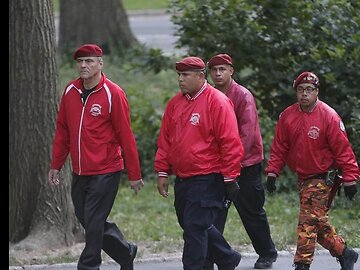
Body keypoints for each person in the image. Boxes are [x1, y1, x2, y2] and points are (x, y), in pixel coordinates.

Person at [48, 43, 144, 270]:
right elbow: (62, 131)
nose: (83, 65)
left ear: (100, 64)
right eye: (80, 61)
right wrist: (56, 164)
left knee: (93, 225)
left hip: (106, 170)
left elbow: (126, 136)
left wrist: (134, 173)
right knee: (90, 220)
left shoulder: (113, 93)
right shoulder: (70, 91)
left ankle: (89, 266)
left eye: (89, 61)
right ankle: (125, 251)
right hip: (80, 171)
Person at [155, 56, 244, 270]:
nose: (180, 80)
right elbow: (165, 140)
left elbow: (230, 142)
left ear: (200, 76)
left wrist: (230, 177)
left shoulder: (217, 101)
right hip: (184, 177)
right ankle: (227, 258)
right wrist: (162, 171)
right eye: (179, 75)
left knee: (195, 227)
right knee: (190, 223)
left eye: (185, 75)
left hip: (207, 175)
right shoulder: (175, 103)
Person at [264, 71, 360, 270]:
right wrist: (273, 172)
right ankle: (345, 253)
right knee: (316, 222)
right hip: (303, 178)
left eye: (309, 90)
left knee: (307, 223)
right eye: (300, 90)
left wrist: (350, 178)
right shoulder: (287, 116)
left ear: (317, 92)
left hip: (322, 178)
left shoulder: (329, 116)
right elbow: (280, 147)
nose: (304, 94)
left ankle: (302, 264)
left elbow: (343, 149)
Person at [205, 53, 278, 269]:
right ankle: (211, 257)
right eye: (214, 70)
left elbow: (246, 136)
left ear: (231, 71)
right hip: (218, 165)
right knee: (215, 213)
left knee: (251, 211)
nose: (218, 74)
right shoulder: (208, 95)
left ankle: (267, 253)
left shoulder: (243, 96)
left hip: (245, 164)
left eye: (222, 69)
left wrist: (232, 164)